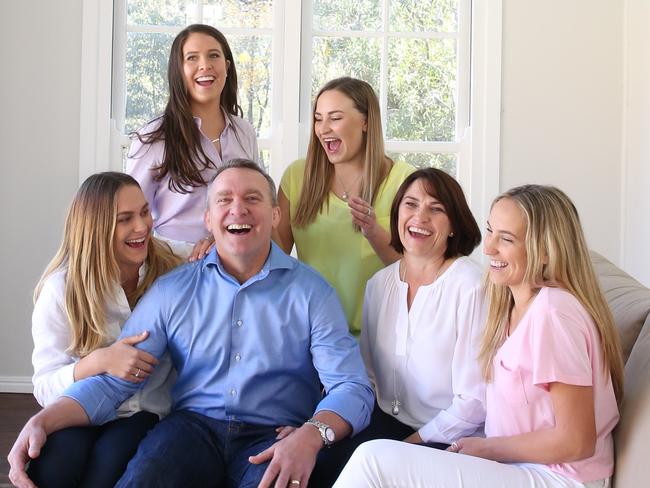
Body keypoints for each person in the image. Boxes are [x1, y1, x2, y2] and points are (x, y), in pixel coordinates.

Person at [9, 159, 374, 488]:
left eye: (252, 198)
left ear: (276, 215)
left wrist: (312, 434)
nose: (238, 209)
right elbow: (112, 384)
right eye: (224, 200)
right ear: (208, 219)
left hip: (274, 435)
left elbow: (352, 386)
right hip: (190, 430)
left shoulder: (313, 292)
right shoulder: (172, 289)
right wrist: (43, 420)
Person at [334, 184, 624, 488]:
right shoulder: (510, 306)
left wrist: (488, 448)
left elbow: (576, 441)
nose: (488, 249)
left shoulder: (554, 314)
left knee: (373, 459)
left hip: (559, 478)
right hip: (517, 466)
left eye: (507, 239)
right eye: (490, 231)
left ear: (545, 251)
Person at [309, 168, 486, 487]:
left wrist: (410, 445)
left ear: (453, 225)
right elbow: (368, 375)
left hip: (448, 435)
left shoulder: (470, 286)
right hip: (386, 424)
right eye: (411, 204)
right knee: (318, 466)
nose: (420, 217)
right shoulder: (379, 284)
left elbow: (474, 402)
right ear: (396, 213)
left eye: (436, 209)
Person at [26, 172, 181, 488]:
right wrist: (97, 363)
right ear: (96, 229)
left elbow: (219, 249)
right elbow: (43, 386)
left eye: (144, 212)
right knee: (52, 469)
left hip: (146, 411)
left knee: (108, 468)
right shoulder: (60, 290)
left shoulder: (171, 263)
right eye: (125, 219)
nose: (142, 227)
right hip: (78, 409)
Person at [276, 77, 414, 334]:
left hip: (381, 339)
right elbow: (273, 256)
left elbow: (416, 269)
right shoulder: (297, 177)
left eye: (335, 118)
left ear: (366, 122)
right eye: (318, 119)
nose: (323, 129)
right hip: (310, 335)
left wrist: (374, 231)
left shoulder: (404, 183)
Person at [126, 24, 259, 259]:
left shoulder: (244, 132)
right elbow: (130, 217)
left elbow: (257, 201)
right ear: (178, 70)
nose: (205, 65)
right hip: (175, 265)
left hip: (237, 263)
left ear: (227, 67)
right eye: (192, 58)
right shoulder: (154, 138)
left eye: (213, 56)